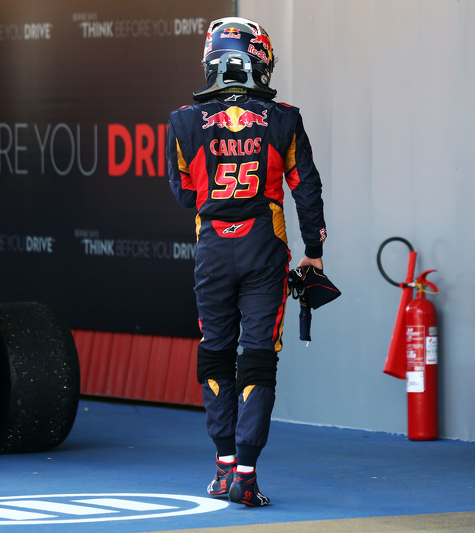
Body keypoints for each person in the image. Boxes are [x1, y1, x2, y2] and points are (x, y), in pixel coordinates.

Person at [167, 17, 327, 506]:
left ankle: (221, 469)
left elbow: (183, 193)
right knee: (258, 358)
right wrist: (314, 252)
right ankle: (247, 475)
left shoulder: (182, 121)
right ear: (255, 59)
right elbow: (307, 190)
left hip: (213, 250)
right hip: (266, 250)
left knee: (215, 352)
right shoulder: (284, 118)